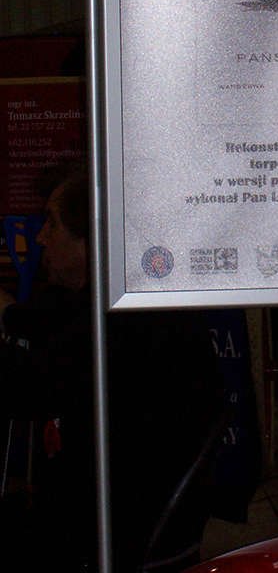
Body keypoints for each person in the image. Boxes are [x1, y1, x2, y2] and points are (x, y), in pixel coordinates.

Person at [0, 168, 225, 572]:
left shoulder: (122, 323)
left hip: (116, 533)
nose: (40, 237)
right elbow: (47, 318)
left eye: (52, 224)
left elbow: (28, 387)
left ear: (89, 240)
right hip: (122, 515)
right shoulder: (122, 298)